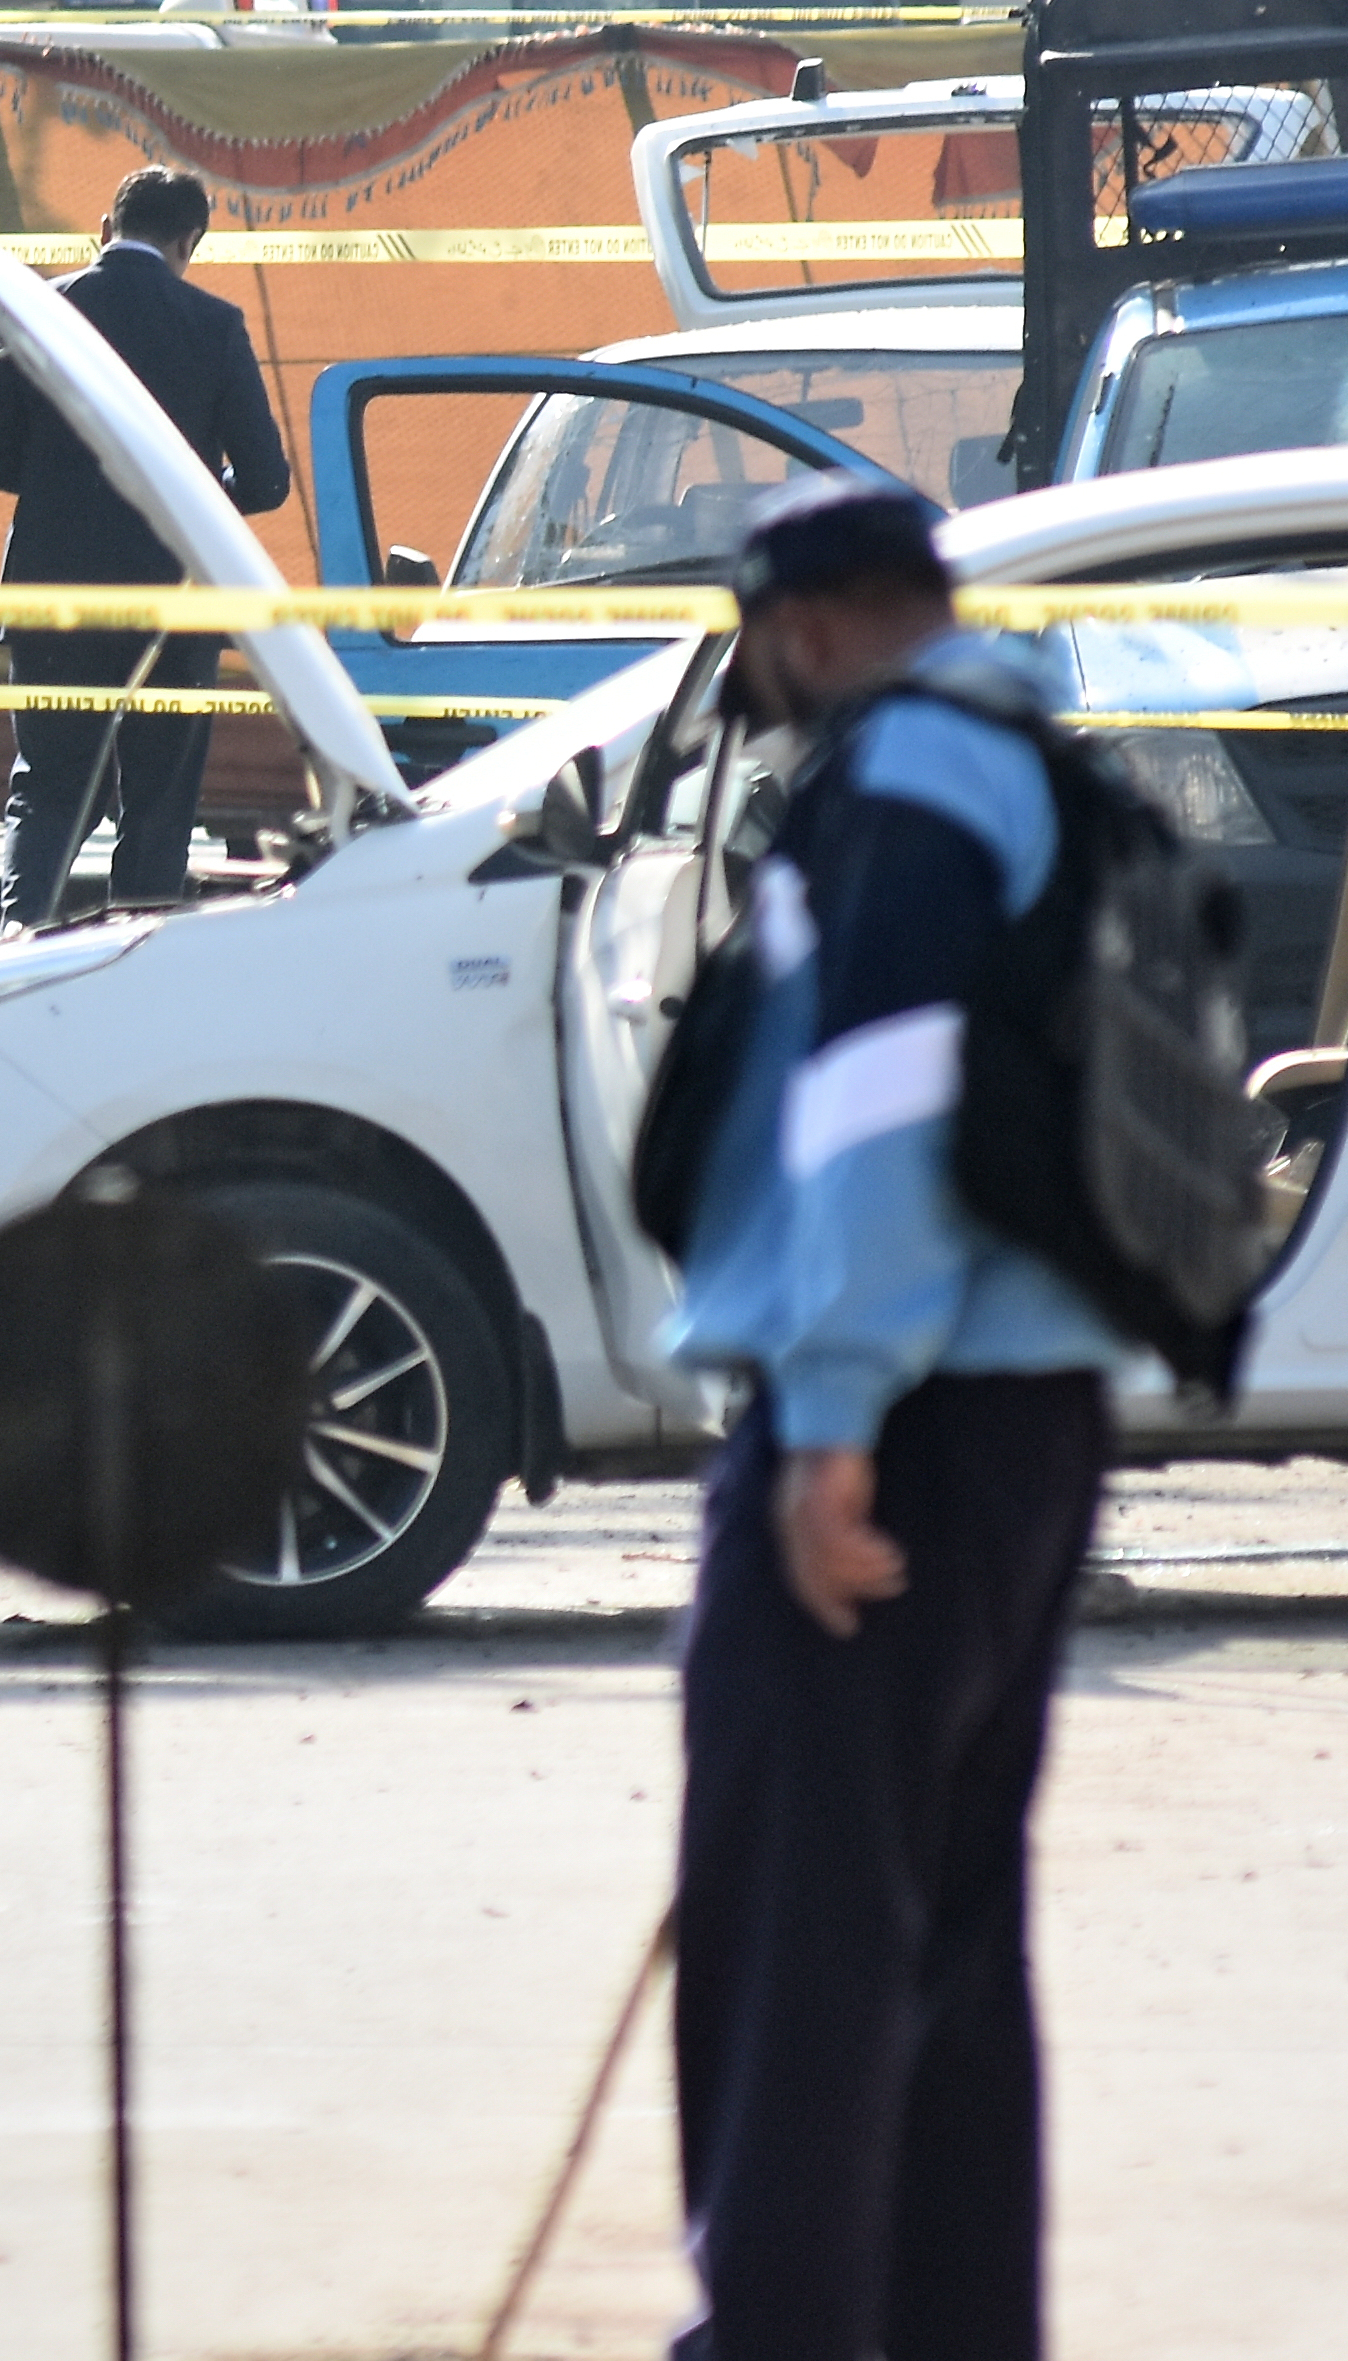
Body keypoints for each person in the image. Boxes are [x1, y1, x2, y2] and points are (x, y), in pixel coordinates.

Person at [659, 475, 1124, 2361]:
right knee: (940, 1946)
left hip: (902, 1417)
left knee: (802, 1940)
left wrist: (834, 1417)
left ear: (801, 627)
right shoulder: (1033, 760)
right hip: (1019, 1412)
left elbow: (876, 1091)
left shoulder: (911, 775)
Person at [0, 166, 288, 930]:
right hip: (173, 601)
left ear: (104, 229)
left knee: (47, 785)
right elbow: (266, 480)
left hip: (52, 593)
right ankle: (136, 955)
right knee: (159, 798)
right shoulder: (215, 324)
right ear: (188, 242)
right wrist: (185, 491)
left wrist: (64, 483)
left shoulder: (32, 310)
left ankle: (21, 935)